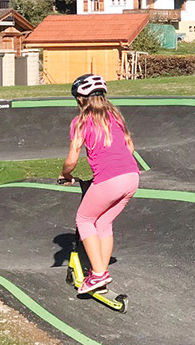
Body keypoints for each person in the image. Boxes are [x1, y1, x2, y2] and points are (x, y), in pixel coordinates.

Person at [59, 74, 139, 294]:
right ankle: (99, 274)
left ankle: (99, 274)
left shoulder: (81, 121)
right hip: (132, 177)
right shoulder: (116, 116)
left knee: (84, 219)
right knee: (103, 222)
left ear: (81, 99)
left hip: (110, 180)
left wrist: (65, 174)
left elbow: (72, 159)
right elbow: (130, 148)